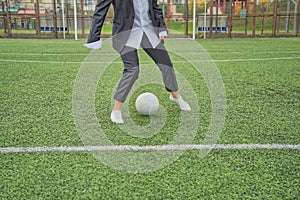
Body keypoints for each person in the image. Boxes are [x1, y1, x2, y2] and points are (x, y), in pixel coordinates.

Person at [84, 0, 191, 124]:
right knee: (132, 69)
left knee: (166, 64)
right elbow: (100, 11)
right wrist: (94, 37)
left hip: (149, 31)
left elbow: (155, 7)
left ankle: (174, 95)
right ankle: (116, 110)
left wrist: (161, 27)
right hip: (125, 33)